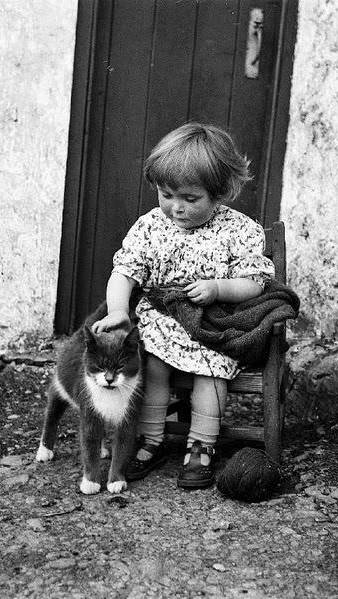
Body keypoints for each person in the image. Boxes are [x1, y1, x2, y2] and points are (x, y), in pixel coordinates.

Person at [92, 122, 275, 489]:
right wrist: (118, 311)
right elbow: (124, 273)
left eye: (191, 199)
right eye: (166, 194)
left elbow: (255, 283)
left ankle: (201, 446)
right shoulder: (149, 227)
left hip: (212, 325)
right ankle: (151, 438)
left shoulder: (239, 231)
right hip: (163, 319)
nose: (176, 208)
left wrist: (219, 287)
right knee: (151, 365)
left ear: (219, 192)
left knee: (212, 372)